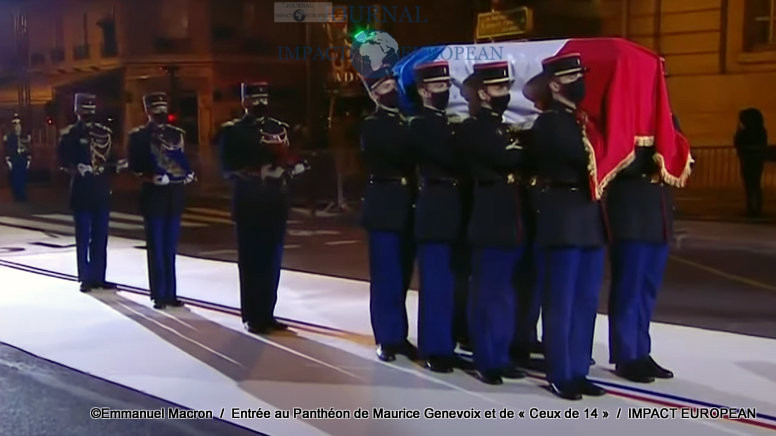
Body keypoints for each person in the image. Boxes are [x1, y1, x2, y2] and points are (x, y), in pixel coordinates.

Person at [525, 54, 607, 400]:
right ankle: (560, 371)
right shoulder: (550, 123)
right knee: (561, 299)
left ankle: (578, 368)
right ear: (556, 84)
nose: (580, 83)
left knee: (585, 299)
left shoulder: (582, 121)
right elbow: (576, 157)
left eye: (580, 76)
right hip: (562, 212)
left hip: (588, 214)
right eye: (572, 77)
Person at [219, 81, 307, 334]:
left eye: (263, 99)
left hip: (275, 202)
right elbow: (227, 168)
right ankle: (253, 315)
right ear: (244, 102)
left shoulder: (278, 128)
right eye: (254, 99)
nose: (259, 104)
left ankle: (268, 313)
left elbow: (290, 155)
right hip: (250, 202)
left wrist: (293, 167)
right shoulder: (233, 131)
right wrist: (259, 172)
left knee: (272, 261)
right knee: (251, 262)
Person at [458, 61, 526, 385]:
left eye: (506, 88)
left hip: (508, 215)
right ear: (483, 93)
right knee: (488, 291)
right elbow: (504, 158)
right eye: (498, 88)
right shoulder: (474, 128)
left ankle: (500, 354)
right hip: (489, 214)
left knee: (504, 292)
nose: (504, 94)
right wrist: (519, 152)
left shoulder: (501, 127)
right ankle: (486, 358)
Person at [410, 61, 465, 372]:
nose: (445, 91)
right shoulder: (420, 125)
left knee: (452, 282)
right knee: (436, 282)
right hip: (435, 204)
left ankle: (447, 341)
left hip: (453, 204)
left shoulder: (448, 122)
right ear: (423, 91)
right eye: (439, 86)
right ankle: (434, 347)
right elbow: (445, 157)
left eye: (447, 85)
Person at [359, 67, 417, 362]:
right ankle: (385, 337)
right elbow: (392, 153)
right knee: (386, 276)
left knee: (403, 275)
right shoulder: (373, 124)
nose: (392, 91)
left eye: (393, 85)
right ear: (374, 95)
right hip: (384, 204)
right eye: (384, 88)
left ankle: (399, 334)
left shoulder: (407, 120)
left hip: (408, 203)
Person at [128, 92, 195, 310]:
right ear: (148, 111)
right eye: (156, 108)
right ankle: (159, 294)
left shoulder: (176, 134)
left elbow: (182, 159)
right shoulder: (139, 136)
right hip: (153, 197)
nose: (160, 112)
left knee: (170, 248)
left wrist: (187, 173)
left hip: (174, 196)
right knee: (156, 247)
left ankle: (171, 293)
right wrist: (150, 177)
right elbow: (135, 166)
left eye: (163, 107)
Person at [58, 93, 126, 293]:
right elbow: (63, 161)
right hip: (81, 192)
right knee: (83, 237)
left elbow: (110, 160)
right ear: (77, 111)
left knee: (100, 237)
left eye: (90, 109)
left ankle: (99, 277)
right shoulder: (70, 134)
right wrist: (75, 167)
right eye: (84, 109)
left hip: (100, 191)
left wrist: (118, 166)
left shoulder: (104, 133)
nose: (88, 113)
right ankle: (86, 278)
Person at [734, 108, 768, 218]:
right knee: (756, 185)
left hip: (747, 160)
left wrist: (738, 130)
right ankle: (756, 208)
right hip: (757, 161)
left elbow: (737, 142)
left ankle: (751, 208)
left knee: (749, 185)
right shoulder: (761, 131)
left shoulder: (745, 133)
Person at [4, 115, 31, 202]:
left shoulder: (24, 136)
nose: (17, 126)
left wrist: (28, 159)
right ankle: (17, 194)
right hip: (14, 159)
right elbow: (7, 149)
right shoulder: (9, 136)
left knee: (22, 177)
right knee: (15, 177)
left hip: (22, 158)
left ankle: (22, 194)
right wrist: (8, 160)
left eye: (19, 124)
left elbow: (28, 147)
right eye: (15, 124)